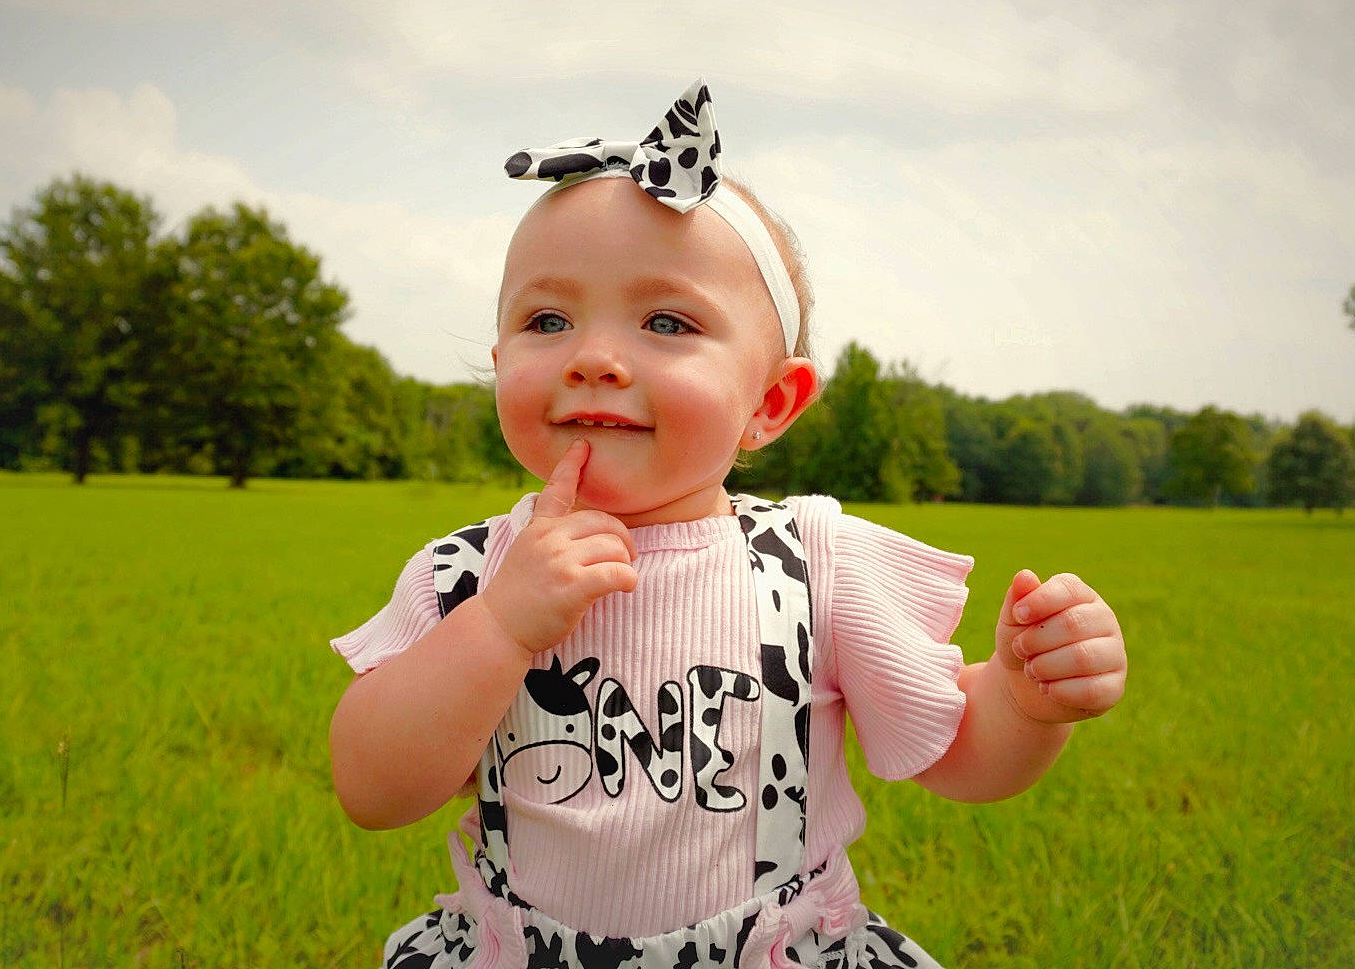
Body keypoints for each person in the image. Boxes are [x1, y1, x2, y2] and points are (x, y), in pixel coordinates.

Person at [328, 80, 1128, 969]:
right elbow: (372, 788)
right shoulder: (469, 574)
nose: (593, 358)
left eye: (666, 322)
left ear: (771, 403)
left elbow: (964, 761)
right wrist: (502, 626)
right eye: (546, 319)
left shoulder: (815, 565)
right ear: (499, 359)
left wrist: (1024, 702)